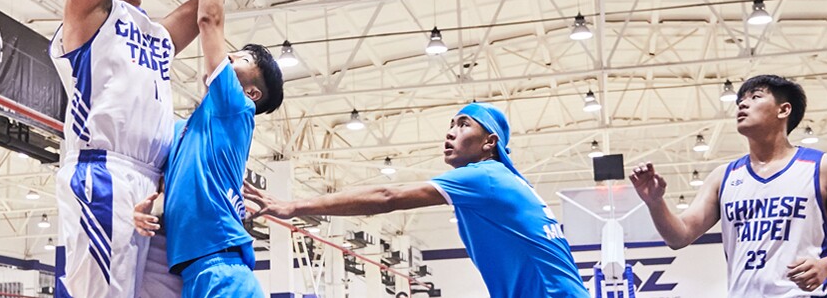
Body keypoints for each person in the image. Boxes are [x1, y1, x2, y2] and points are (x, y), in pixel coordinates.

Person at [239, 102, 589, 298]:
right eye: (450, 124)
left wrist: (292, 206)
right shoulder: (510, 182)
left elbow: (387, 196)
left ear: (489, 143)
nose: (451, 132)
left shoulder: (485, 176)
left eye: (464, 125)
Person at [51, 0, 212, 298]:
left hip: (152, 187)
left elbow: (208, 8)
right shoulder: (85, 17)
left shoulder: (155, 34)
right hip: (104, 176)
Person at [131, 0, 285, 298]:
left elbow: (209, 19)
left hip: (222, 269)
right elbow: (168, 189)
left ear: (250, 93)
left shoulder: (236, 110)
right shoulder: (187, 130)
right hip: (194, 272)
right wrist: (148, 208)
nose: (227, 54)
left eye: (239, 58)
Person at [630, 75, 827, 296]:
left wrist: (826, 266)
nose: (742, 104)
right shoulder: (722, 176)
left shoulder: (823, 168)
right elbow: (679, 236)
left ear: (783, 109)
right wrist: (655, 203)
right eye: (740, 100)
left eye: (755, 97)